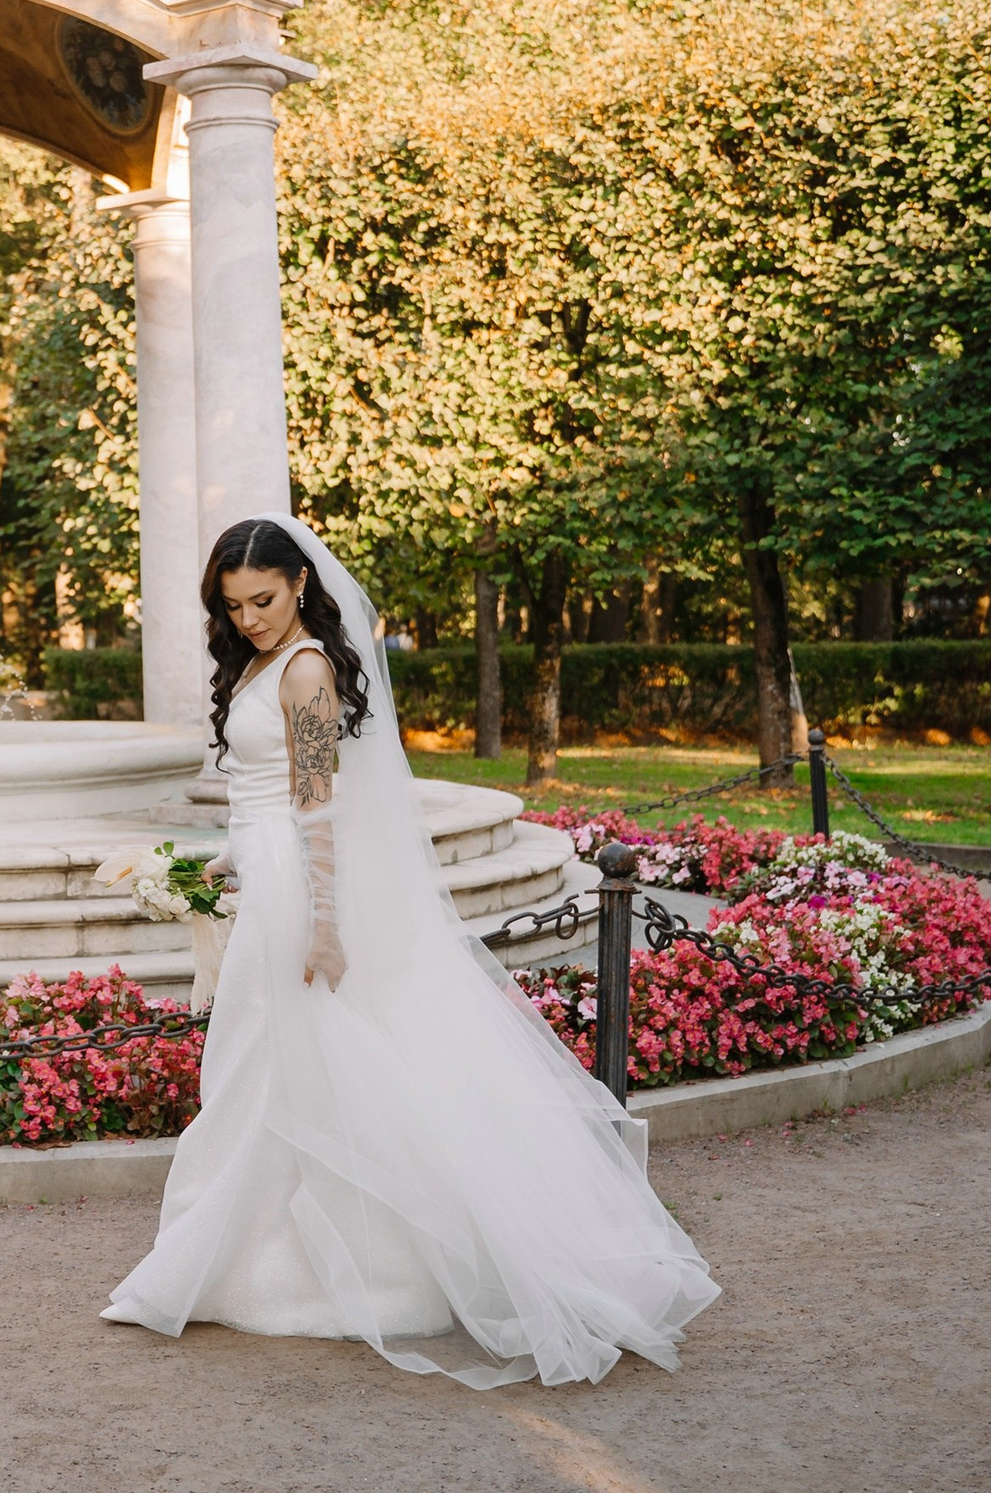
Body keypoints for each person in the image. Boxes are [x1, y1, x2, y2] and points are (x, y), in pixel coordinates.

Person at [100, 515, 719, 1388]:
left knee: (279, 1064)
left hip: (299, 894)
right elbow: (265, 793)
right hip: (269, 876)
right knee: (266, 1066)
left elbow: (316, 804)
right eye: (234, 605)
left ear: (302, 585)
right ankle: (258, 1258)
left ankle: (330, 1265)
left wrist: (321, 920)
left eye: (264, 599)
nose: (250, 618)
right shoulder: (262, 662)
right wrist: (231, 853)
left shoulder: (309, 668)